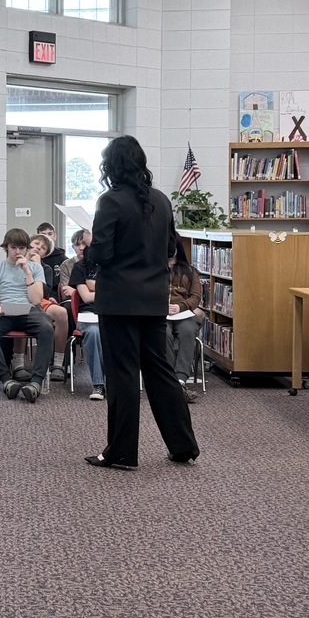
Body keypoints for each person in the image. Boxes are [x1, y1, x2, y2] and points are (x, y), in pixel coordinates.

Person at [84, 135, 199, 469]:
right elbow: (168, 251)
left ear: (112, 165)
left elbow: (102, 254)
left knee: (122, 374)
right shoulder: (162, 200)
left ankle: (121, 451)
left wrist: (91, 246)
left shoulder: (110, 201)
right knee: (159, 371)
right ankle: (183, 445)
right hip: (153, 298)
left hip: (119, 299)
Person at [0, 228, 55, 403]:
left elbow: (37, 300)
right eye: (14, 247)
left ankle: (36, 382)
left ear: (27, 249)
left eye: (22, 248)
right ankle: (6, 380)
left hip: (29, 310)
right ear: (7, 247)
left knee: (46, 327)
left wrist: (27, 272)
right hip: (5, 312)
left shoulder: (36, 269)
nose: (18, 252)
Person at [167, 233, 205, 404]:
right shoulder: (152, 269)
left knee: (188, 331)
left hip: (184, 313)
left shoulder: (189, 271)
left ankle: (180, 379)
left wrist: (180, 306)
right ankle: (169, 379)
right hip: (161, 313)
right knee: (162, 333)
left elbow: (196, 296)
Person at [27, 233, 69, 381]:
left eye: (43, 248)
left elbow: (43, 293)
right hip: (18, 300)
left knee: (62, 313)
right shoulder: (15, 261)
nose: (39, 248)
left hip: (39, 301)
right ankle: (18, 363)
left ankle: (58, 362)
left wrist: (37, 266)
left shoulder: (46, 269)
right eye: (37, 243)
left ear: (45, 254)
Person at [70, 256, 105, 400]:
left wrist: (94, 286)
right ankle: (98, 384)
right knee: (94, 332)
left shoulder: (119, 263)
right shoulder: (80, 267)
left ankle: (120, 382)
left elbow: (126, 292)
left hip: (114, 311)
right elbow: (86, 297)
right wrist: (110, 288)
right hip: (88, 313)